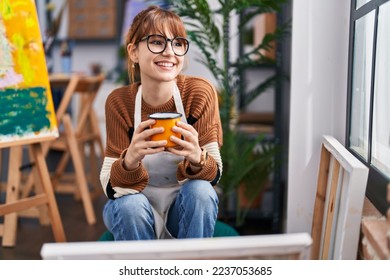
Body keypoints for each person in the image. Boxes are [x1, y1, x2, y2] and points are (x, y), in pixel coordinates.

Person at [100, 5, 223, 240]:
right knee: (130, 206)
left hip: (182, 207)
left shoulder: (199, 94)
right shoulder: (120, 102)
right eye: (157, 42)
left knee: (200, 191)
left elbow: (214, 174)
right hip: (134, 206)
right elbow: (109, 186)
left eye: (178, 43)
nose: (170, 52)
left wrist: (197, 157)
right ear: (134, 52)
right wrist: (130, 159)